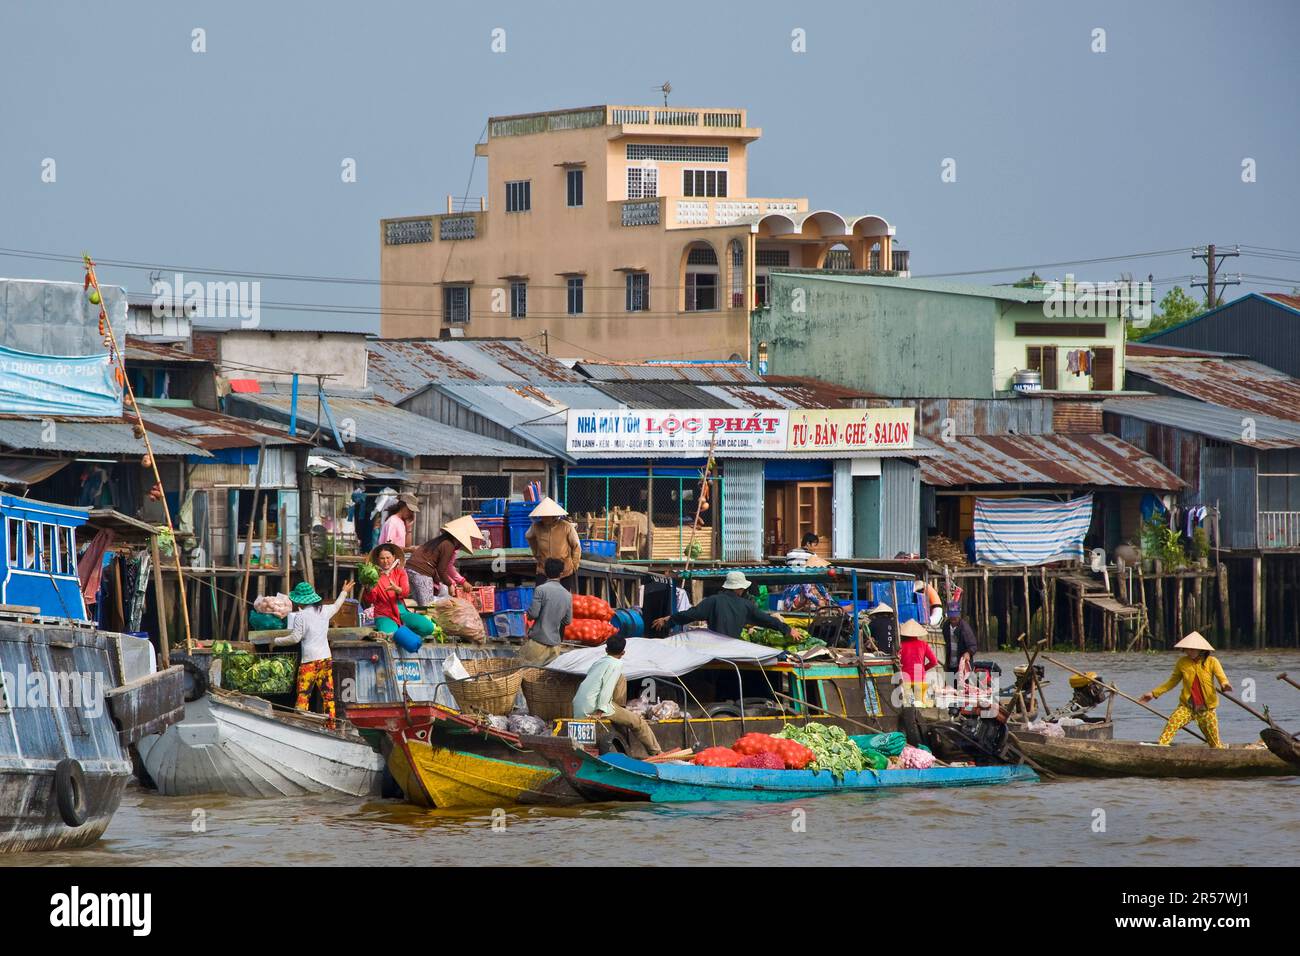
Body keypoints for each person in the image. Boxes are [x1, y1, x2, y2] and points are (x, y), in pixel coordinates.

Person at [275, 580, 354, 729]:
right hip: (325, 658)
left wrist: (277, 641)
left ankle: (300, 725)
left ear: (299, 600)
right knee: (328, 695)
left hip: (309, 662)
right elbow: (337, 606)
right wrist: (344, 591)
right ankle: (331, 725)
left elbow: (295, 638)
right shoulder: (323, 610)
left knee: (303, 695)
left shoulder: (301, 616)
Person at [572, 634, 662, 755]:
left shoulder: (598, 662)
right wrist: (600, 711)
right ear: (623, 653)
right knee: (639, 723)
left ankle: (620, 707)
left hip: (581, 705)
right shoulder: (616, 664)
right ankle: (657, 753)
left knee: (621, 678)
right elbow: (606, 688)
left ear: (606, 649)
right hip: (596, 707)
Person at [1139, 631, 1232, 748]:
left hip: (1207, 709)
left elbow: (1222, 678)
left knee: (1215, 744)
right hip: (1187, 706)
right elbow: (1171, 682)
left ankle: (1218, 751)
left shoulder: (1212, 662)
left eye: (1192, 649)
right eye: (1187, 649)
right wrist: (1153, 693)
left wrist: (1225, 685)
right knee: (1172, 722)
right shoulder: (1182, 662)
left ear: (1201, 649)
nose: (1189, 651)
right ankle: (1162, 747)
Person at [653, 570, 791, 640]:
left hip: (715, 650)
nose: (743, 590)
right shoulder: (746, 605)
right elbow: (766, 620)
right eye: (742, 588)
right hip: (733, 652)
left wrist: (669, 620)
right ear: (738, 588)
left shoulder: (713, 600)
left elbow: (691, 614)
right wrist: (788, 630)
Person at [406, 516, 484, 604]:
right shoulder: (448, 545)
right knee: (427, 606)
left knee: (418, 604)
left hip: (409, 569)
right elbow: (441, 569)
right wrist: (450, 584)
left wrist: (457, 582)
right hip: (421, 572)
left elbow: (445, 567)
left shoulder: (440, 541)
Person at [361, 543, 434, 637]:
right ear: (377, 560)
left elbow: (405, 592)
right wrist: (369, 588)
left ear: (394, 557)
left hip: (402, 612)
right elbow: (370, 600)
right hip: (383, 615)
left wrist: (397, 589)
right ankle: (402, 634)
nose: (385, 561)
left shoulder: (400, 572)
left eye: (388, 557)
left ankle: (405, 634)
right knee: (391, 634)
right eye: (382, 558)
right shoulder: (373, 576)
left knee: (427, 627)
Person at [518, 557, 572, 666]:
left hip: (538, 643)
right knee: (547, 679)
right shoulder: (567, 595)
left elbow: (533, 614)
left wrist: (528, 615)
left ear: (545, 572)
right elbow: (567, 621)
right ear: (561, 574)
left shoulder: (541, 590)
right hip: (555, 646)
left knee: (525, 674)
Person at [525, 497, 582, 591]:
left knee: (562, 597)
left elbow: (576, 546)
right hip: (544, 569)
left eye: (545, 515)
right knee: (540, 595)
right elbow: (529, 537)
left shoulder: (566, 526)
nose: (542, 517)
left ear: (553, 515)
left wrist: (575, 564)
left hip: (564, 570)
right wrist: (536, 554)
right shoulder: (536, 526)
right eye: (542, 515)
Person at [896, 619, 938, 706]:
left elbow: (897, 662)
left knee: (907, 706)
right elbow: (934, 662)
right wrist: (923, 668)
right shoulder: (923, 644)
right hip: (919, 677)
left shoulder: (900, 646)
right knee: (920, 705)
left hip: (905, 678)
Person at [942, 605, 978, 679]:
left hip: (962, 665)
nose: (953, 618)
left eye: (955, 615)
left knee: (962, 687)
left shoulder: (965, 628)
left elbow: (973, 646)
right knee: (950, 687)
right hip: (950, 664)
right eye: (951, 615)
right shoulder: (945, 626)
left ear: (959, 615)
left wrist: (968, 653)